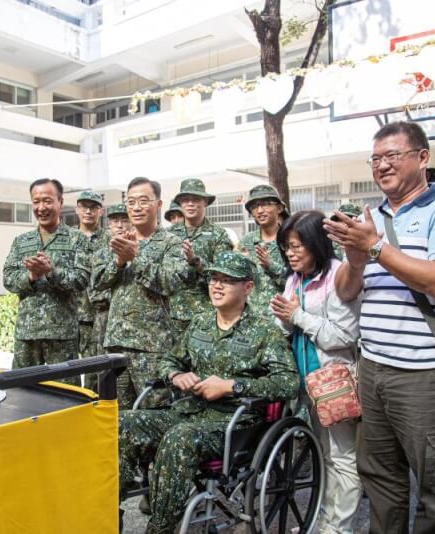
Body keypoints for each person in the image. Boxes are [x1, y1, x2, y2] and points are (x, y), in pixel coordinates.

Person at [325, 121, 435, 534]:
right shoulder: (369, 216)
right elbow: (344, 292)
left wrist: (375, 247)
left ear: (422, 158)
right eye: (375, 158)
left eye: (392, 155)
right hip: (373, 368)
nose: (382, 165)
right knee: (381, 479)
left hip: (425, 375)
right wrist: (355, 259)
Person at [119, 251, 298, 533]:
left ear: (247, 287)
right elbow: (170, 360)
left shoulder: (264, 331)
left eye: (227, 280)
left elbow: (288, 382)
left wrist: (232, 386)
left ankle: (161, 528)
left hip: (233, 424)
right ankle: (107, 512)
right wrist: (177, 375)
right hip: (189, 412)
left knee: (179, 439)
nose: (216, 285)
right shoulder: (200, 322)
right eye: (214, 278)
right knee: (121, 423)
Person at [270, 210, 361, 534]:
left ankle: (339, 527)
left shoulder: (338, 276)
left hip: (334, 380)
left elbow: (343, 335)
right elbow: (285, 326)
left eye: (297, 246)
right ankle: (324, 521)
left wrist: (296, 316)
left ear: (317, 244)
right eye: (286, 247)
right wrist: (283, 318)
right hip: (307, 382)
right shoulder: (295, 278)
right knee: (324, 456)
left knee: (342, 457)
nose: (290, 253)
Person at [91, 177, 188, 408]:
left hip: (152, 346)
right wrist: (119, 262)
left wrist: (137, 258)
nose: (136, 207)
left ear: (159, 204)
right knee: (116, 415)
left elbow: (171, 282)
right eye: (131, 201)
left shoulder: (171, 243)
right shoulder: (116, 242)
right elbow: (96, 281)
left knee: (154, 412)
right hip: (115, 342)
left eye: (143, 201)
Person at [3, 178, 88, 383]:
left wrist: (51, 272)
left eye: (48, 201)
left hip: (62, 335)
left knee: (65, 397)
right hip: (27, 334)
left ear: (60, 202)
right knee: (22, 393)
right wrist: (31, 276)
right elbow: (8, 278)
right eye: (36, 201)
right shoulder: (22, 241)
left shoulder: (77, 239)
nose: (41, 207)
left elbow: (82, 279)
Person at [169, 179, 233, 340]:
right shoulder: (169, 235)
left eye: (196, 199)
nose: (190, 204)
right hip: (171, 315)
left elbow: (226, 275)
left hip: (206, 313)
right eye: (185, 200)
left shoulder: (218, 235)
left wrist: (196, 262)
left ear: (205, 202)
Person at [85, 203, 131, 391]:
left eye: (124, 220)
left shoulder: (140, 245)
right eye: (115, 221)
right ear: (109, 224)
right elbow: (94, 286)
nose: (120, 225)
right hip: (104, 316)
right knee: (98, 365)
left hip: (131, 319)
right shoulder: (101, 250)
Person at [238, 184, 288, 316]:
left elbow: (298, 281)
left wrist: (270, 266)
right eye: (254, 207)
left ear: (279, 208)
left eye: (266, 204)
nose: (260, 210)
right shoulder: (246, 242)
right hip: (252, 317)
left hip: (282, 317)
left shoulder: (290, 240)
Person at [73, 191, 109, 365]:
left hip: (100, 315)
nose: (88, 211)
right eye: (84, 207)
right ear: (77, 210)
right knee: (67, 369)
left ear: (100, 211)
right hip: (71, 314)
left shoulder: (110, 240)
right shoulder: (66, 239)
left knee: (96, 369)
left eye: (93, 207)